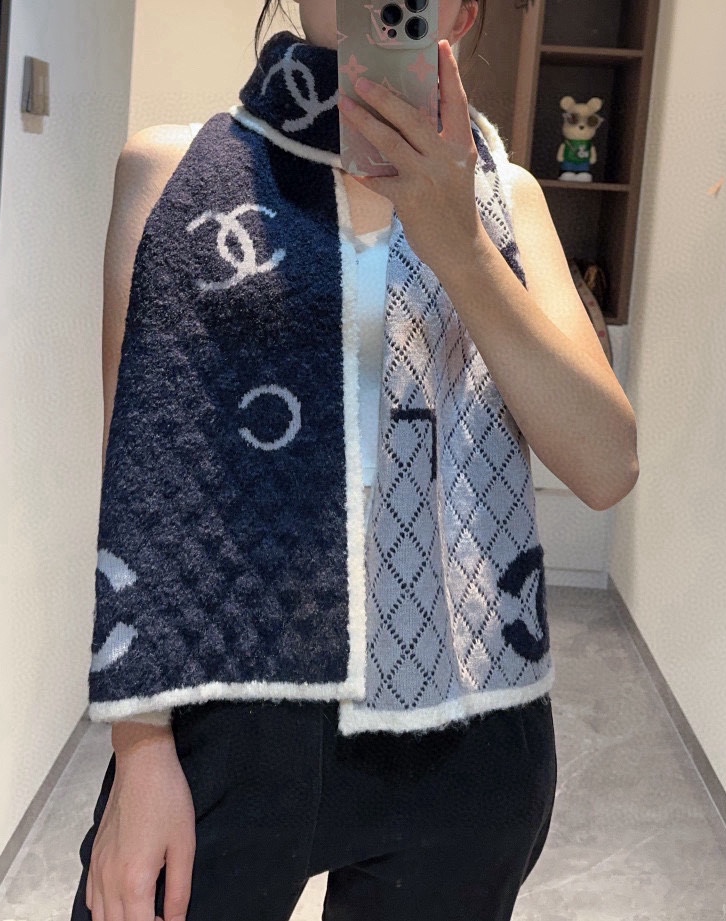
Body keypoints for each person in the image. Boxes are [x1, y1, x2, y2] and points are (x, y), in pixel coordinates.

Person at [73, 2, 639, 920]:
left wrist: (460, 240)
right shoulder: (171, 172)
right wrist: (140, 751)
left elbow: (607, 465)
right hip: (235, 701)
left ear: (462, 11)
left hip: (469, 720)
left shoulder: (508, 199)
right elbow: (138, 494)